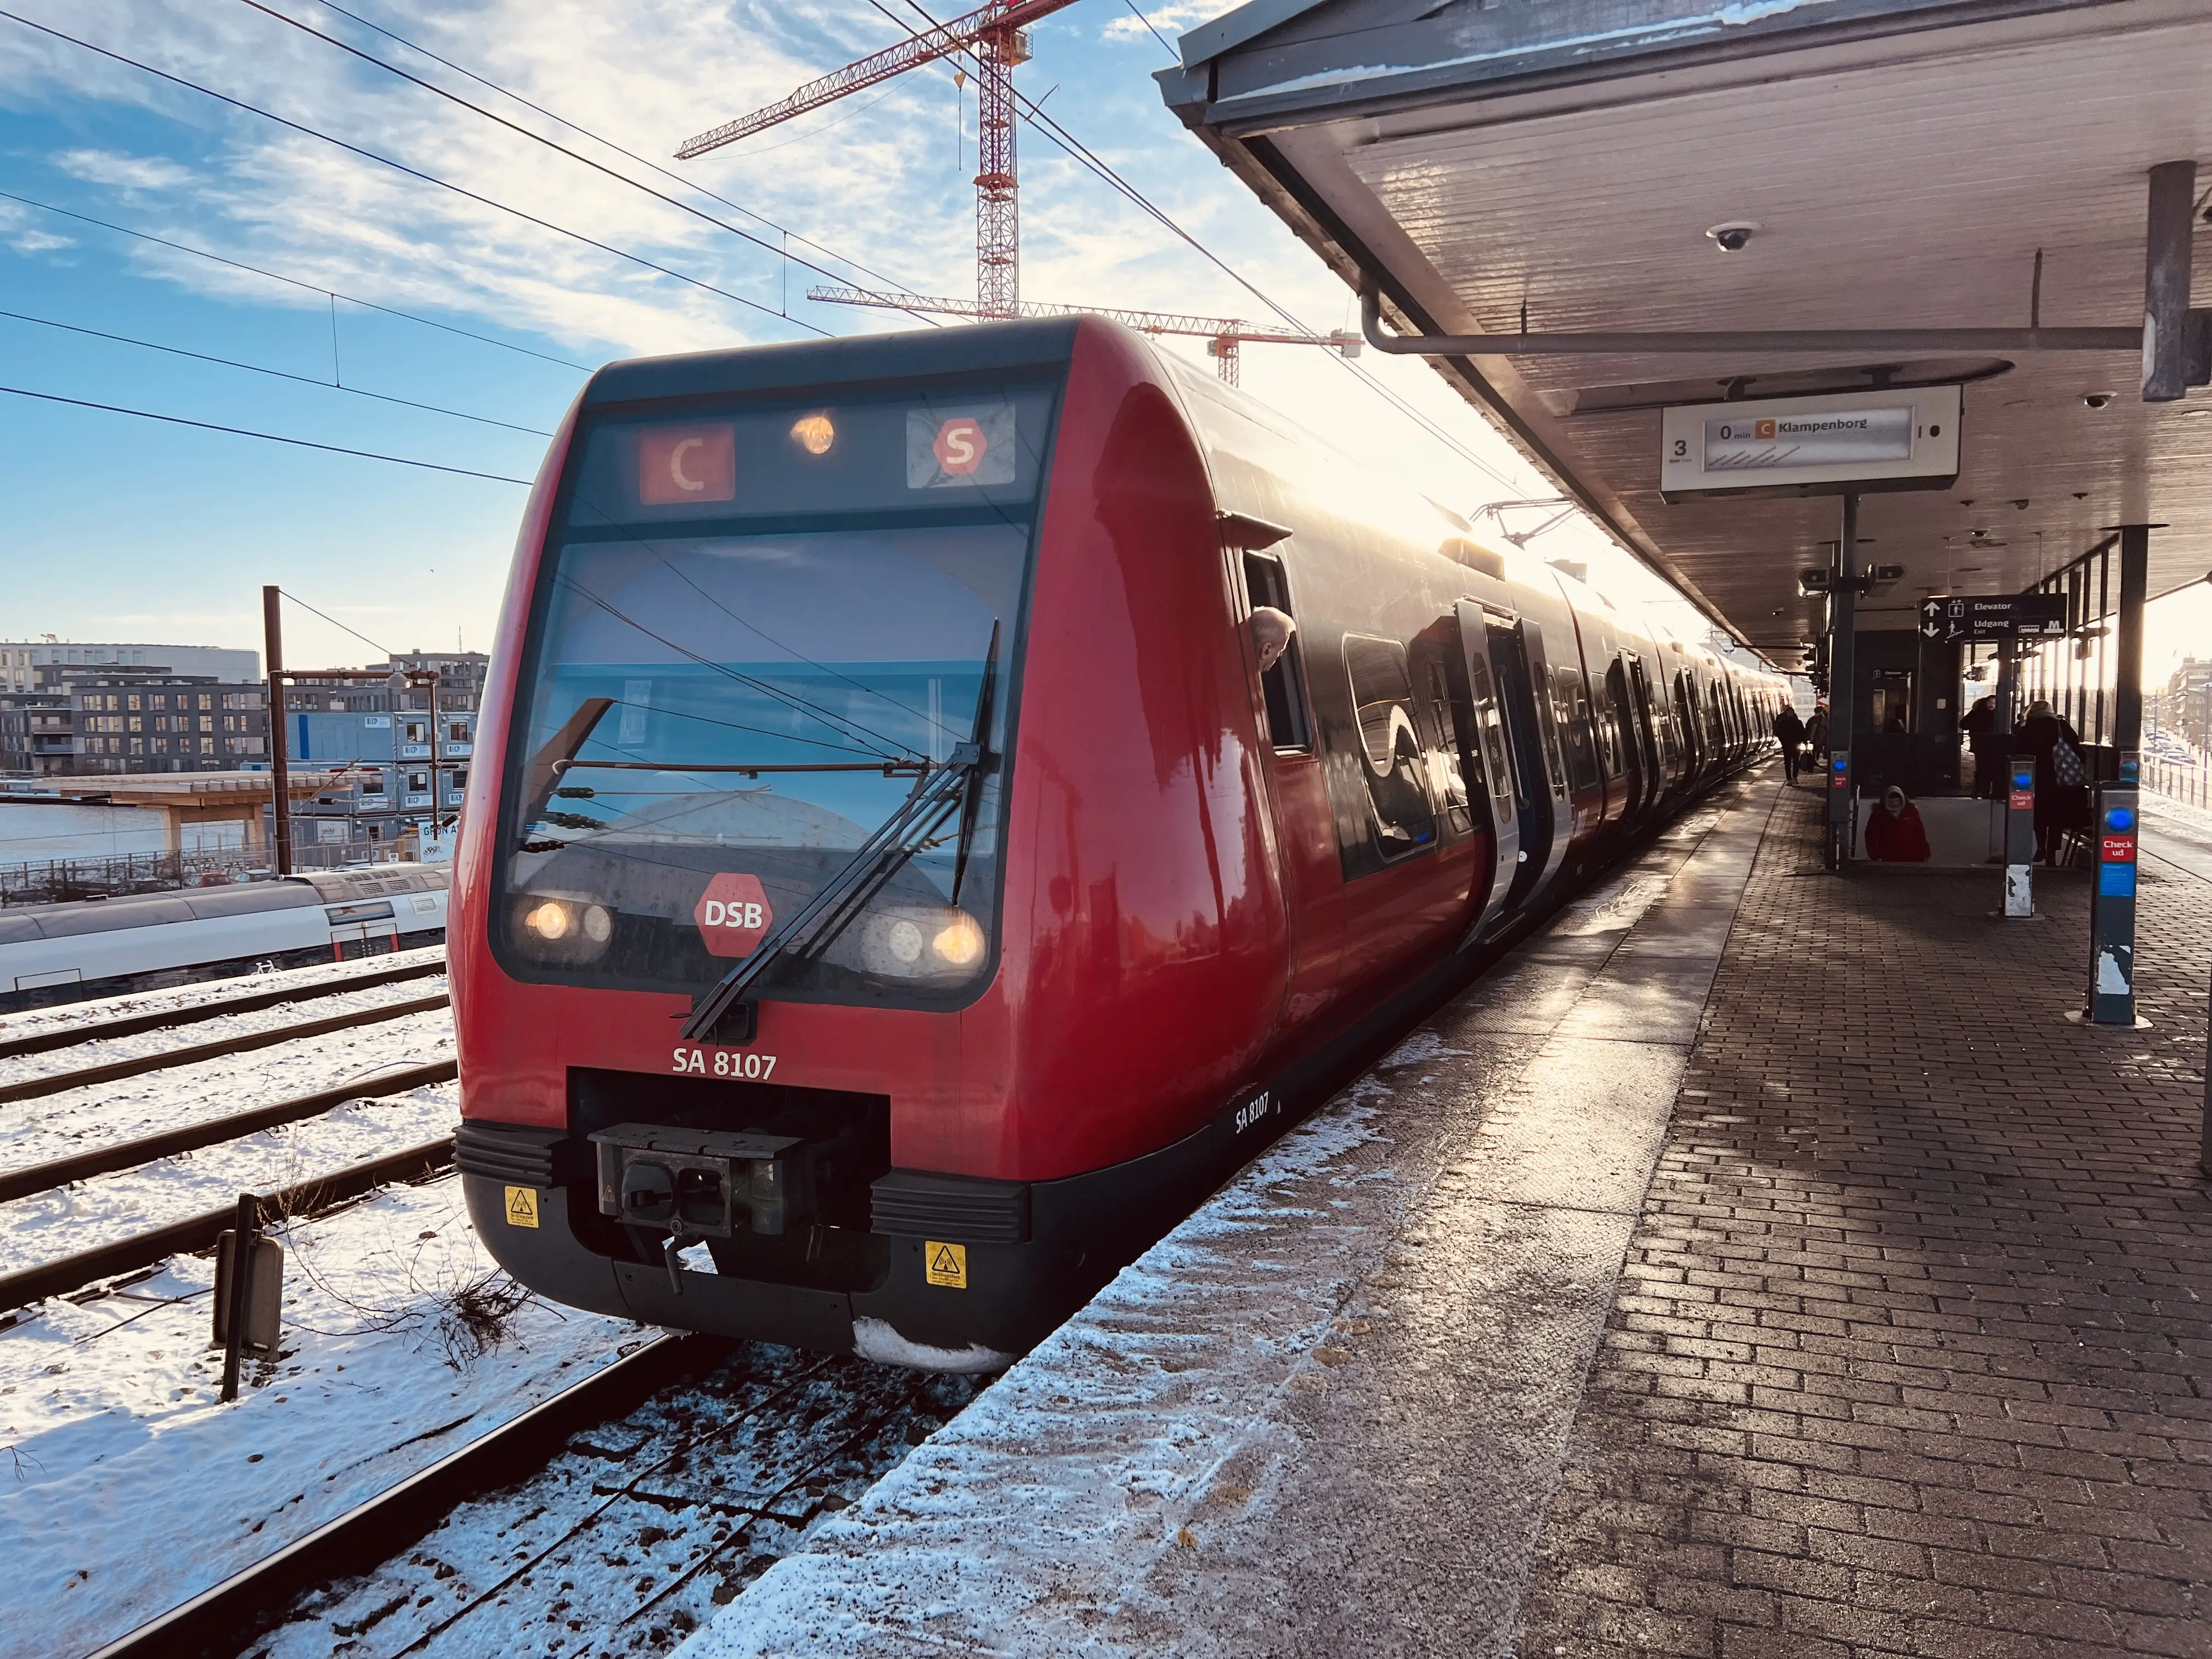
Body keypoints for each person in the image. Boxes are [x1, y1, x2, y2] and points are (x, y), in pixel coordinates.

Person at [2015, 698, 2090, 865]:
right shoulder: (2061, 726)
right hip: (2060, 780)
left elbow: (2018, 751)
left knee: (2039, 814)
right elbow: (2079, 751)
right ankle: (2052, 853)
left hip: (2037, 779)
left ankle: (2041, 846)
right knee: (2057, 817)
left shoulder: (2028, 728)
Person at [1863, 784, 1931, 862]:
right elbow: (1871, 838)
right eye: (1890, 801)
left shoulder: (1912, 812)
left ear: (1902, 800)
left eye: (1897, 801)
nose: (1894, 804)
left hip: (1913, 858)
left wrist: (1926, 854)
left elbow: (1920, 834)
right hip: (1888, 860)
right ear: (1885, 801)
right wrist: (1875, 857)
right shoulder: (1877, 815)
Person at [1961, 693, 1999, 798]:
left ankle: (1980, 791)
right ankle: (1983, 791)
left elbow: (1963, 724)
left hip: (1981, 744)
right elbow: (1963, 724)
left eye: (1994, 704)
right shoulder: (1994, 714)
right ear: (1986, 702)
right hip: (1986, 744)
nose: (1992, 705)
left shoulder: (1977, 712)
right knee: (1984, 768)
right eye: (1991, 703)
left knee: (1982, 768)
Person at [1771, 703, 1806, 784]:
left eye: (1791, 713)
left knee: (1793, 762)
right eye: (1789, 713)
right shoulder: (1795, 722)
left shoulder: (1784, 722)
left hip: (1790, 745)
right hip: (1790, 745)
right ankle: (1791, 779)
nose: (1790, 714)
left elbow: (1778, 733)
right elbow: (1802, 733)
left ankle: (1793, 778)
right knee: (1790, 762)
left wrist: (1802, 741)